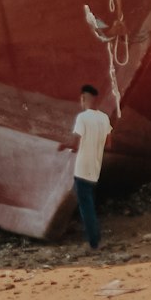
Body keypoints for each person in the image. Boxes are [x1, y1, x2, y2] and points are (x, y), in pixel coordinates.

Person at [62, 84, 112, 250]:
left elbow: (75, 145)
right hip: (95, 169)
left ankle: (93, 242)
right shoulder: (104, 118)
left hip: (82, 169)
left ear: (84, 98)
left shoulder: (82, 118)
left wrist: (64, 146)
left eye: (81, 98)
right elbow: (109, 144)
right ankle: (95, 238)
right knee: (90, 204)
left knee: (86, 207)